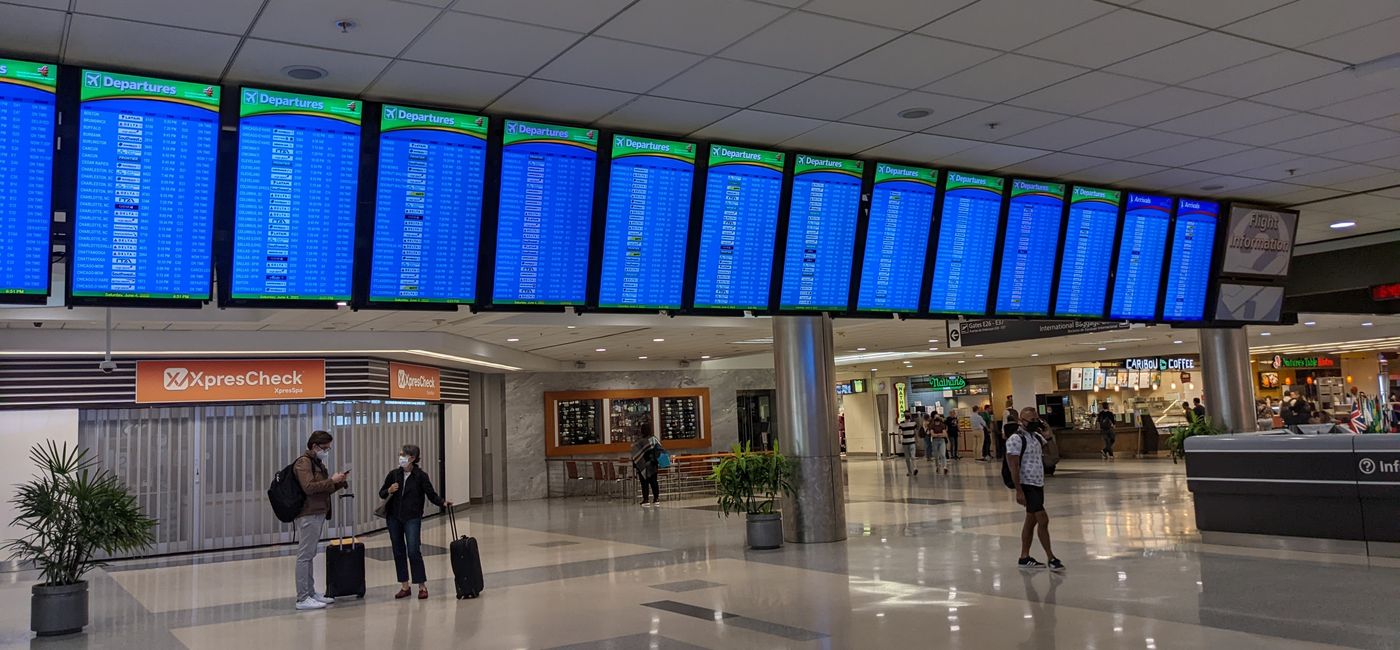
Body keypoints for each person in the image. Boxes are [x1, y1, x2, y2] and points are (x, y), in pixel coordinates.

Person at [379, 444, 451, 600]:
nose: (400, 458)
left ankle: (421, 585)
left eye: (402, 455)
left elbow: (431, 494)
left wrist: (443, 502)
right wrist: (389, 490)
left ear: (412, 458)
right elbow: (382, 493)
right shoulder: (393, 475)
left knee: (413, 550)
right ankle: (404, 586)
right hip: (394, 518)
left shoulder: (420, 476)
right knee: (398, 551)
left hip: (412, 517)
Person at [292, 430, 348, 611]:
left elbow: (322, 490)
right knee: (305, 556)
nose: (327, 451)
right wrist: (331, 480)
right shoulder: (303, 463)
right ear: (315, 446)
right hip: (308, 513)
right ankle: (302, 598)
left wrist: (338, 482)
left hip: (318, 512)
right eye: (325, 448)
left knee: (310, 554)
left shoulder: (317, 463)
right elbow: (308, 488)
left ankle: (310, 592)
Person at [1007, 406, 1063, 572]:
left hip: (1038, 483)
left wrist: (1049, 436)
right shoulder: (1015, 439)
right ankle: (1051, 557)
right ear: (1021, 421)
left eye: (1036, 420)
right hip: (1027, 484)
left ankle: (1024, 556)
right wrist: (1018, 490)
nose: (1034, 423)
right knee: (1043, 520)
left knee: (1030, 521)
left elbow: (1053, 457)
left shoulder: (1036, 437)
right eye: (1030, 420)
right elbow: (1013, 466)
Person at [631, 433, 664, 506]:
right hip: (653, 464)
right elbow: (660, 450)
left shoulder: (639, 442)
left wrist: (636, 465)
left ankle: (646, 499)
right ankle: (656, 498)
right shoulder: (654, 439)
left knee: (644, 483)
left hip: (643, 464)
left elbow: (635, 453)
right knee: (654, 482)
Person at [897, 411, 919, 476]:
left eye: (908, 415)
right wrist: (899, 439)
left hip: (912, 442)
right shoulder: (901, 424)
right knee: (907, 458)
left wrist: (917, 440)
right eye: (906, 415)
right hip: (905, 442)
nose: (907, 416)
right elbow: (899, 431)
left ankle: (915, 468)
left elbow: (915, 432)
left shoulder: (913, 423)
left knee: (912, 456)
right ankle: (909, 471)